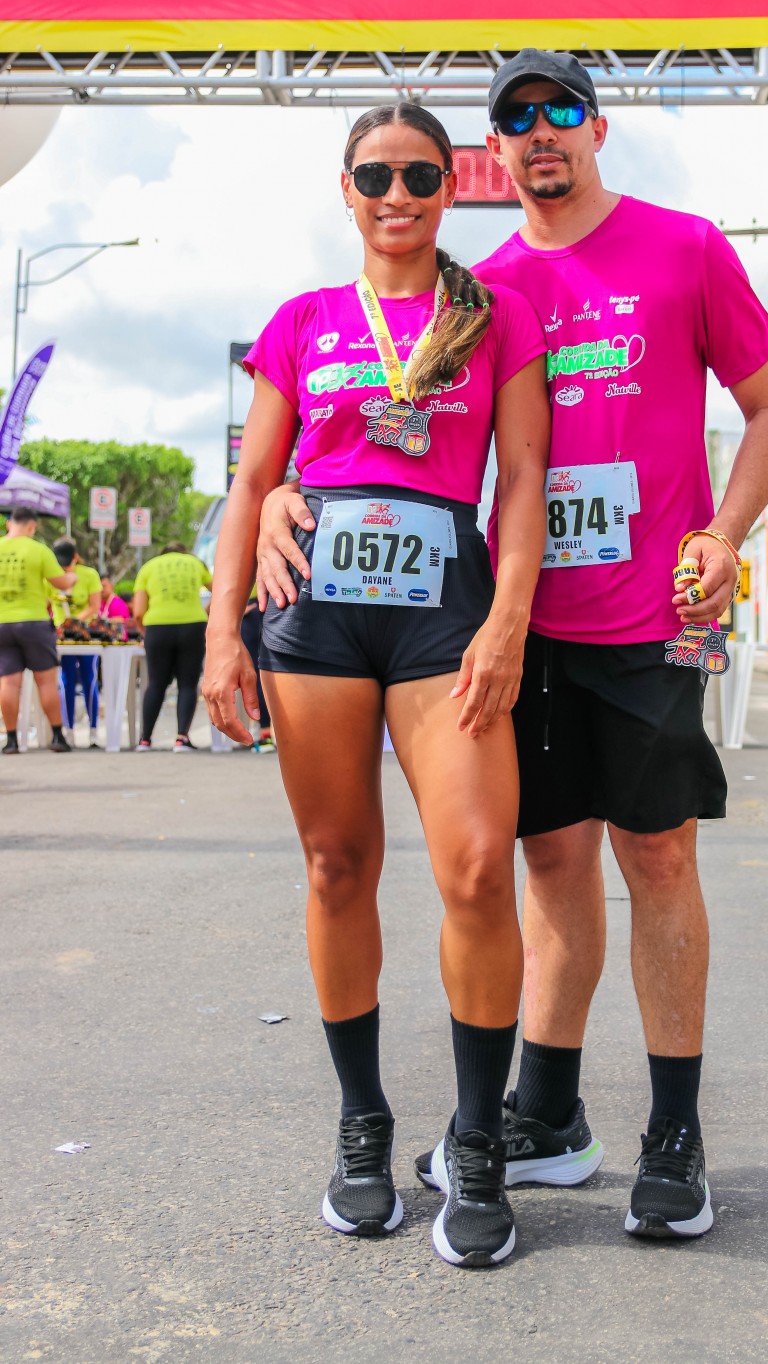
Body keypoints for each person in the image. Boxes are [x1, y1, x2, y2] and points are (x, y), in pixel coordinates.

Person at [258, 50, 768, 1241]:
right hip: (509, 624)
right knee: (546, 867)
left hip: (649, 615)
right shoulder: (477, 294)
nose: (540, 131)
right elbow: (390, 436)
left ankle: (676, 1137)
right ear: (493, 155)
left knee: (659, 862)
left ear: (597, 129)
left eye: (561, 111)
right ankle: (547, 1115)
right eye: (516, 118)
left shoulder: (685, 248)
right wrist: (289, 493)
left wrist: (724, 531)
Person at [202, 102, 549, 1268]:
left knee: (477, 865)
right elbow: (253, 481)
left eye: (418, 175)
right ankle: (362, 1125)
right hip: (315, 610)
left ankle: (478, 1139)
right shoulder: (302, 321)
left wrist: (508, 618)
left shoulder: (494, 317)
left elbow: (523, 477)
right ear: (344, 190)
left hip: (447, 609)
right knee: (336, 864)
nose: (396, 195)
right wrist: (223, 633)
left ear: (451, 185)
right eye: (374, 176)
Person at [0, 505, 76, 753]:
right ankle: (57, 736)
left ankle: (11, 740)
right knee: (45, 681)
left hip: (2, 623)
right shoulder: (38, 550)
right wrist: (72, 577)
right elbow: (61, 583)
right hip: (33, 622)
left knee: (9, 682)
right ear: (32, 526)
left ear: (9, 523)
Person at [132, 541, 212, 751]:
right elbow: (220, 590)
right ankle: (181, 738)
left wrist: (144, 632)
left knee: (156, 683)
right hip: (193, 624)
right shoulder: (195, 563)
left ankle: (145, 740)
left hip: (157, 626)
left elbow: (138, 611)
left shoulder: (149, 566)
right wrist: (206, 612)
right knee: (188, 683)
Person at [51, 538, 103, 747]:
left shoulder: (89, 575)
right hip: (63, 638)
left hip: (85, 636)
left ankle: (93, 730)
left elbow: (94, 606)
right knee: (67, 681)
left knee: (90, 679)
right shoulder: (52, 577)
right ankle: (68, 730)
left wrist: (74, 622)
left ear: (75, 557)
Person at [239, 590, 274, 751]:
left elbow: (220, 588)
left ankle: (265, 734)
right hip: (277, 605)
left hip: (250, 609)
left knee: (256, 674)